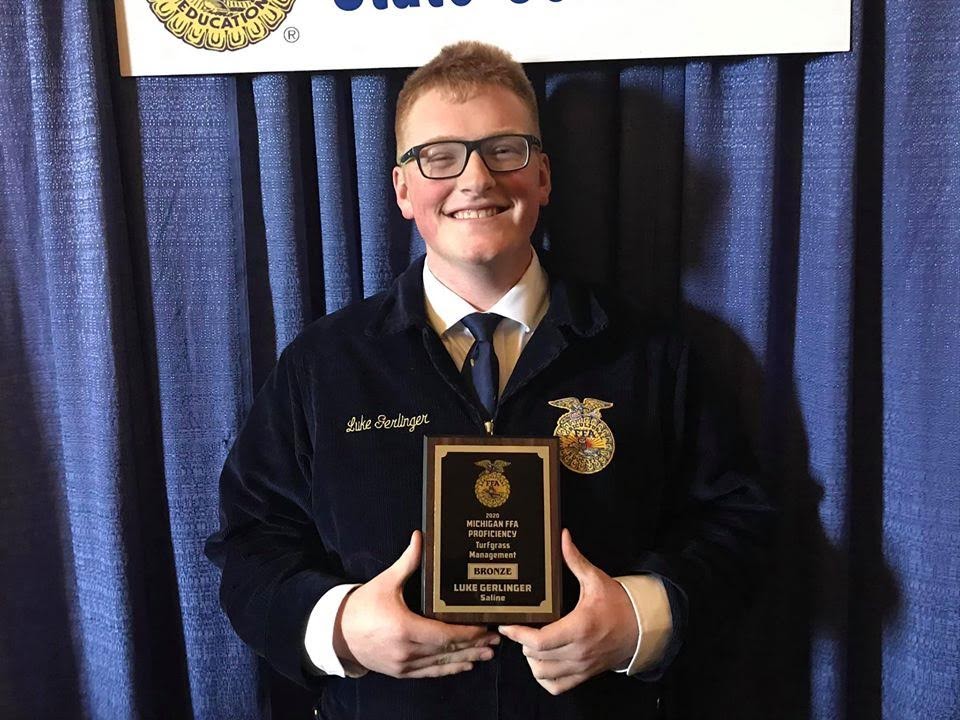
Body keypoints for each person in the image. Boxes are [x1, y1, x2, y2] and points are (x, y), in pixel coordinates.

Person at [205, 41, 772, 719]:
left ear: (544, 178)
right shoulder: (323, 365)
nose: (476, 179)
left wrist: (638, 619)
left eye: (505, 149)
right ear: (403, 190)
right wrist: (342, 628)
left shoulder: (650, 353)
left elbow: (738, 522)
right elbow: (249, 544)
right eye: (439, 156)